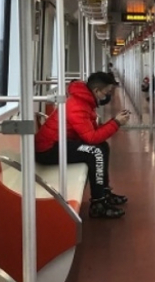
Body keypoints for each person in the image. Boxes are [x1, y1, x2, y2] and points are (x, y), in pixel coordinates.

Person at [35, 72, 130, 219]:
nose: (108, 96)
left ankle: (104, 192)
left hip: (61, 143)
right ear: (97, 91)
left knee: (103, 146)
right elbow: (91, 138)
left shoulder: (85, 102)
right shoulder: (77, 106)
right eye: (107, 92)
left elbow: (93, 134)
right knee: (96, 152)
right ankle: (98, 204)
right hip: (48, 149)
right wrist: (116, 123)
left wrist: (113, 122)